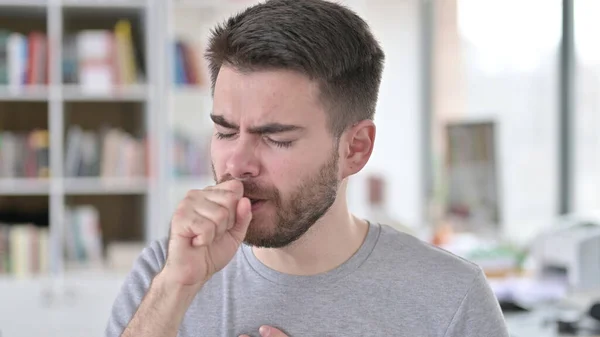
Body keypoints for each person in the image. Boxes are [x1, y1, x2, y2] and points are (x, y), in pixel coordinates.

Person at [105, 0, 509, 336]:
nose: (237, 164)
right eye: (225, 132)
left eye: (276, 138)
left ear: (355, 148)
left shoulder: (452, 297)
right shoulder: (164, 274)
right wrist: (176, 287)